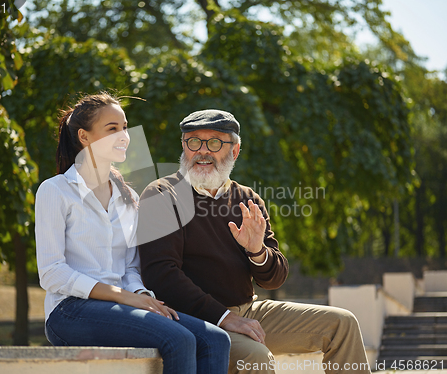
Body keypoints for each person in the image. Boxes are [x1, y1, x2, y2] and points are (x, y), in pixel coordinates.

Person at [138, 109, 372, 374]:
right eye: (193, 141)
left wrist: (257, 251)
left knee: (342, 324)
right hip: (194, 318)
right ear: (183, 147)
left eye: (214, 142)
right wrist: (225, 317)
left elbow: (275, 278)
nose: (203, 151)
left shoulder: (247, 199)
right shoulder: (161, 194)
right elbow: (160, 275)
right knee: (256, 357)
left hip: (250, 310)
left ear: (235, 150)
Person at [35, 94, 231, 374]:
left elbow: (129, 266)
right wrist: (123, 297)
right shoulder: (55, 190)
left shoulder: (128, 197)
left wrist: (141, 294)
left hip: (121, 307)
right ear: (84, 136)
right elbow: (52, 272)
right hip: (70, 311)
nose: (124, 135)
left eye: (125, 127)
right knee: (179, 338)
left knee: (215, 339)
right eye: (112, 128)